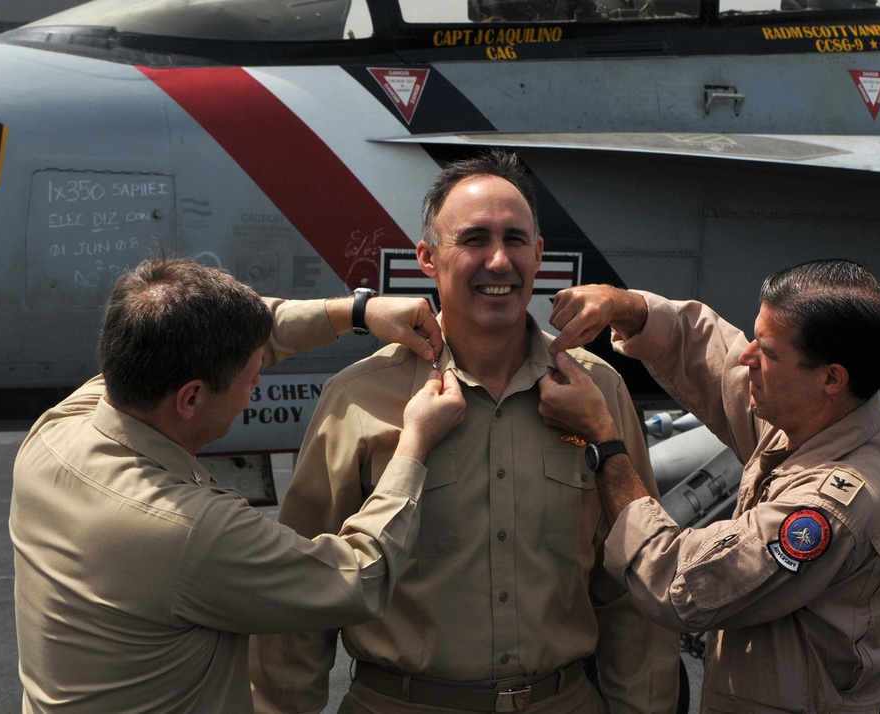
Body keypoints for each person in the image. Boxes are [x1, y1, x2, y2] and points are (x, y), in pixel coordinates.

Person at [249, 150, 680, 713]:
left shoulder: (597, 393)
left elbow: (631, 586)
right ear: (428, 258)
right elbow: (300, 603)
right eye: (474, 239)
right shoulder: (359, 398)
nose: (499, 262)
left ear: (540, 255)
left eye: (516, 240)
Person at [10, 257, 466, 713]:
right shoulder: (192, 530)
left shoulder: (60, 427)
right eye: (251, 379)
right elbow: (361, 577)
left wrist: (355, 313)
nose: (257, 383)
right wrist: (413, 447)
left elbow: (211, 332)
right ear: (190, 398)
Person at [538, 259, 880, 713]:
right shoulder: (816, 417)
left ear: (831, 378)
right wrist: (626, 306)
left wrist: (603, 439)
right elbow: (712, 356)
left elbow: (675, 584)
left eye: (768, 352)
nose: (747, 356)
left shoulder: (829, 508)